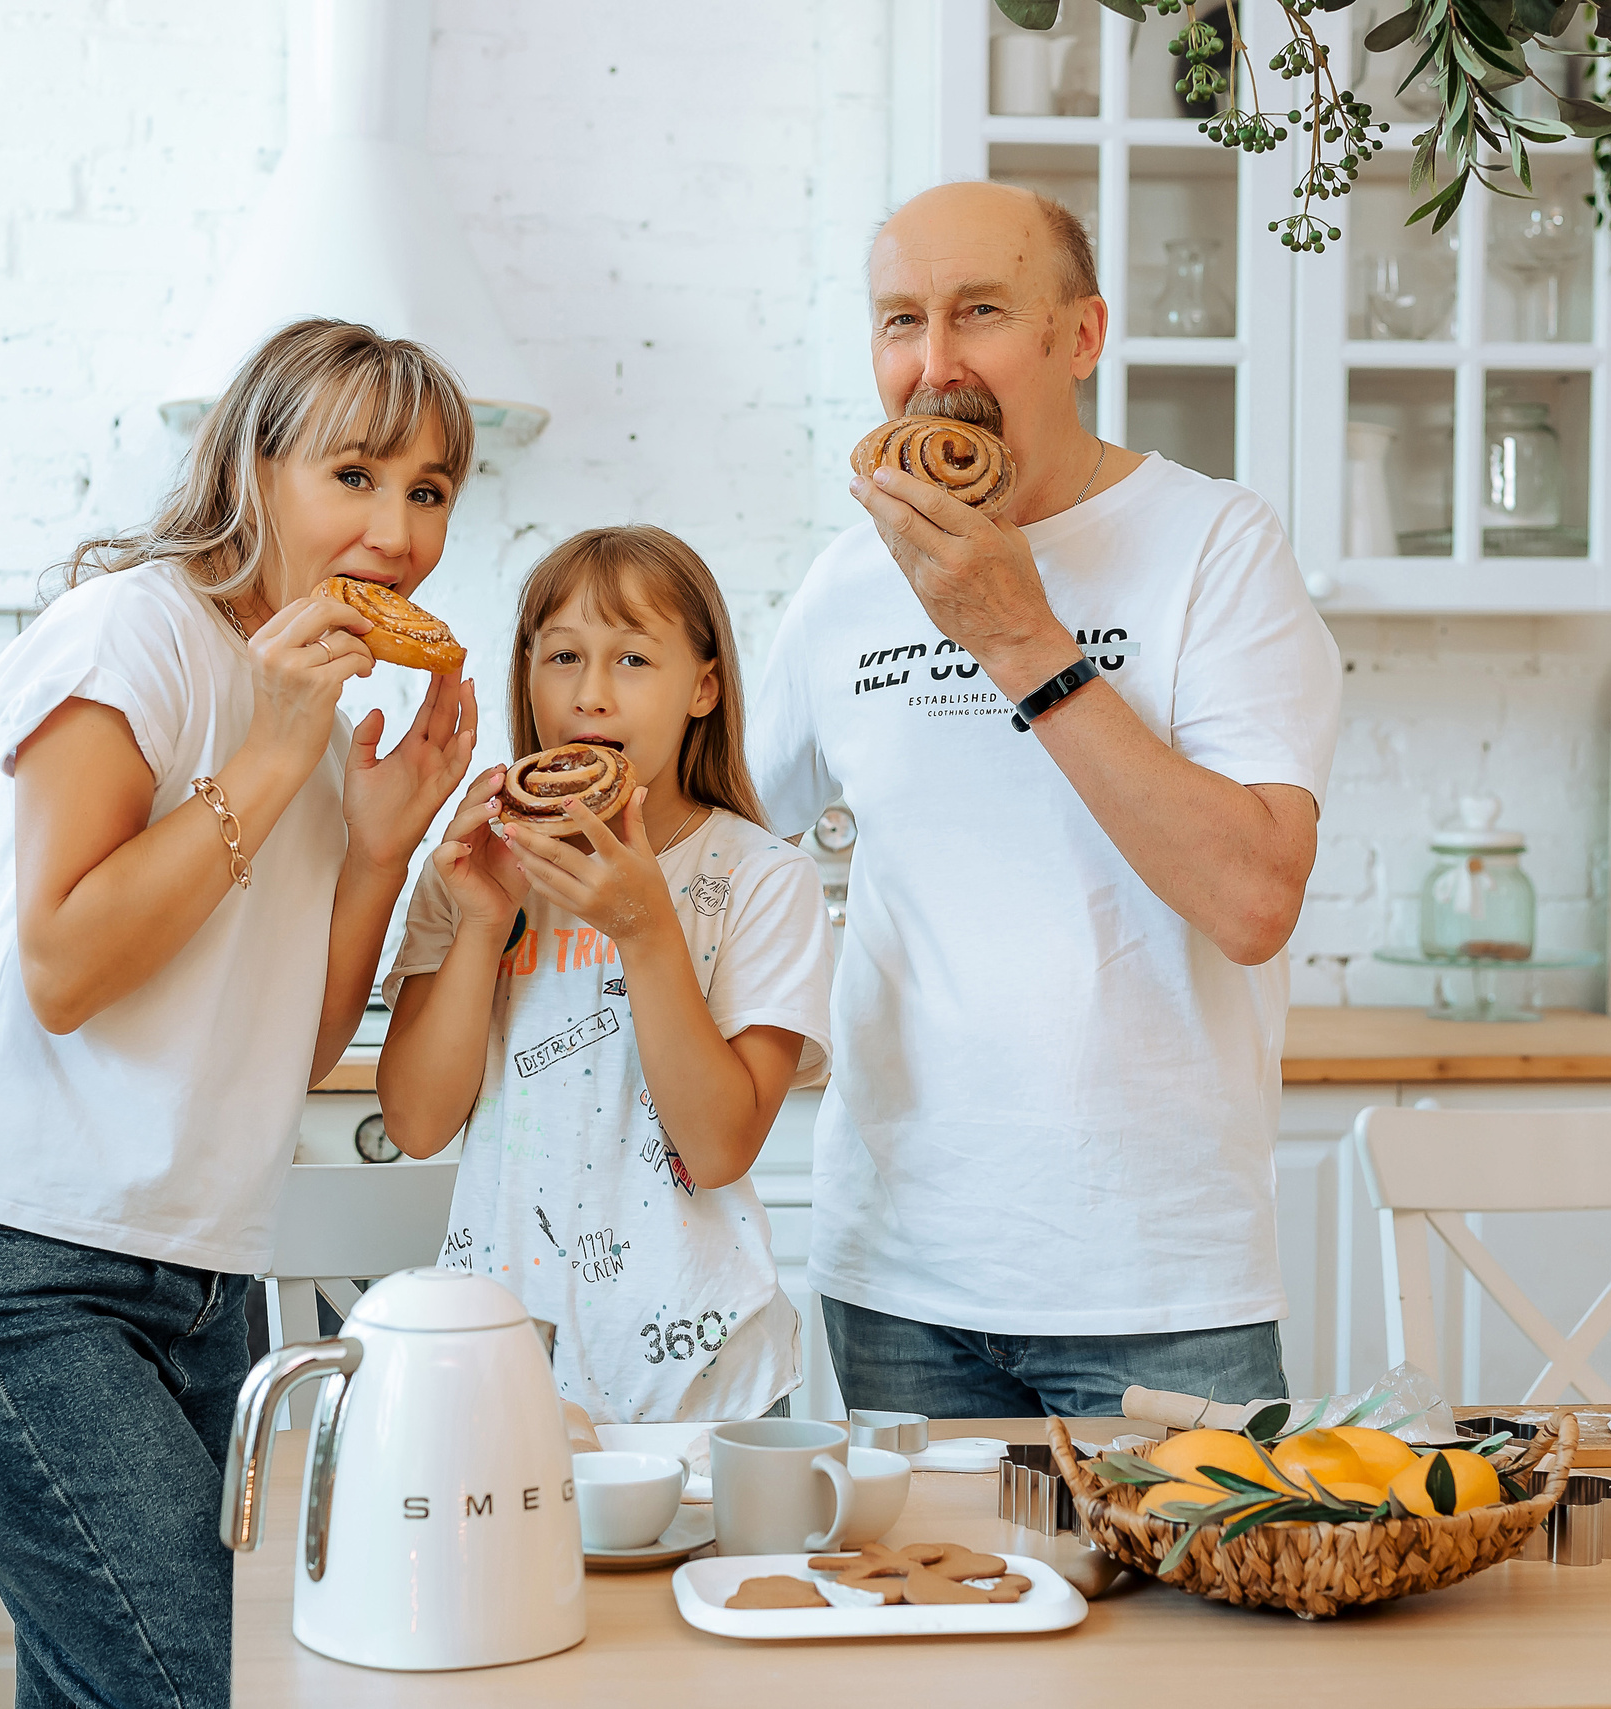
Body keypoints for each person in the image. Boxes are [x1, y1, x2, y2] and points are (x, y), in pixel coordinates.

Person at [0, 318, 481, 1708]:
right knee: (207, 1683)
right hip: (13, 1283)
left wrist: (379, 846)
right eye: (356, 475)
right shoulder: (128, 633)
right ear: (255, 469)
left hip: (201, 1288)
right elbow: (68, 966)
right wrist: (273, 758)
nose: (396, 528)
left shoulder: (316, 719)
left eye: (431, 491)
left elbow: (295, 1048)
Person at [749, 181, 1342, 1419]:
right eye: (899, 321)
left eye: (980, 313)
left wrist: (1018, 635)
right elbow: (720, 836)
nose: (935, 365)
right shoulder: (848, 579)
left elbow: (1252, 898)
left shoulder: (1216, 545)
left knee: (1212, 1613)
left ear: (1079, 337)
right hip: (895, 1279)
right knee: (932, 1617)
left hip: (1161, 1288)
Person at [377, 526, 834, 1424]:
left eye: (632, 657)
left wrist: (646, 928)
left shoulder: (762, 880)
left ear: (703, 687)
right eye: (562, 656)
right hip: (504, 1376)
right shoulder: (477, 869)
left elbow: (716, 1148)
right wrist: (478, 922)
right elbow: (418, 1121)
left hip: (704, 1385)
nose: (589, 693)